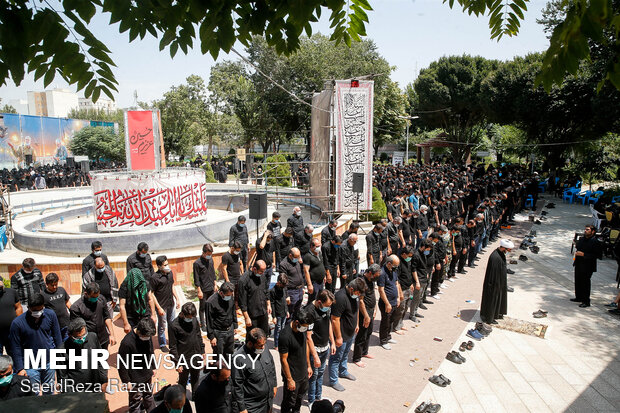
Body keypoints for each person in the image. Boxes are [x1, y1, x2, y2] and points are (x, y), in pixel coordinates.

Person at [9, 293, 62, 395]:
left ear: (44, 306)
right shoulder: (17, 323)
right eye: (34, 310)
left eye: (40, 309)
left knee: (49, 392)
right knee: (34, 394)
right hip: (30, 365)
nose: (37, 312)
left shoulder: (51, 315)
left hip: (48, 361)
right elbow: (15, 347)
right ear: (28, 307)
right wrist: (20, 368)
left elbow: (57, 338)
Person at [328, 277, 367, 392]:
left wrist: (357, 324)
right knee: (336, 358)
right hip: (342, 334)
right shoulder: (340, 297)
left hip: (351, 332)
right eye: (357, 293)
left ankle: (343, 371)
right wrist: (338, 337)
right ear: (351, 288)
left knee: (345, 355)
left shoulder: (353, 295)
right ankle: (333, 380)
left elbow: (356, 309)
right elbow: (335, 319)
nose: (358, 295)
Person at [231, 328, 277, 413]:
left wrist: (274, 384)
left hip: (267, 402)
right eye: (260, 346)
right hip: (252, 406)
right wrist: (242, 408)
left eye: (264, 344)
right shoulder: (239, 359)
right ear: (250, 344)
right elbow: (237, 385)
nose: (263, 347)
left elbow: (272, 366)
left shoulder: (264, 347)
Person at [57, 317, 108, 392]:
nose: (82, 339)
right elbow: (62, 378)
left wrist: (104, 380)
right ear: (70, 335)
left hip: (95, 387)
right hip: (76, 391)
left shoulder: (93, 337)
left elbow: (101, 360)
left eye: (83, 336)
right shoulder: (61, 351)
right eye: (78, 338)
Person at [118, 317, 157, 413]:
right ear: (139, 332)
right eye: (146, 336)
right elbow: (122, 364)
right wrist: (126, 381)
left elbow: (150, 351)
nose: (147, 338)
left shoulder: (147, 334)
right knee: (135, 401)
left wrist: (153, 366)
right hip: (134, 378)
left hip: (147, 373)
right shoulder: (127, 343)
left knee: (148, 395)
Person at [279, 308, 313, 413]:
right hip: (292, 376)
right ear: (297, 322)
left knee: (298, 401)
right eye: (305, 327)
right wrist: (289, 379)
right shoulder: (285, 335)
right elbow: (283, 359)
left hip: (303, 373)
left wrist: (308, 365)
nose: (305, 329)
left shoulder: (302, 329)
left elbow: (305, 345)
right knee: (289, 402)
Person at [306, 290, 336, 407]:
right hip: (315, 350)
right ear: (319, 302)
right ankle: (312, 401)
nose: (328, 308)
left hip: (325, 348)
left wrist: (332, 342)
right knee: (313, 376)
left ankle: (319, 397)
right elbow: (308, 337)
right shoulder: (310, 312)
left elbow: (328, 323)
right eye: (327, 305)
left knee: (321, 374)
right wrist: (314, 356)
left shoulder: (327, 308)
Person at [169, 302, 205, 395]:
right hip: (183, 359)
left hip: (195, 355)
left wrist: (202, 350)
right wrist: (177, 363)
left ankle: (196, 397)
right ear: (182, 314)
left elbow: (198, 335)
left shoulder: (194, 320)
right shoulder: (174, 326)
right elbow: (173, 347)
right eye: (188, 317)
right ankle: (183, 402)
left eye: (192, 317)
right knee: (182, 382)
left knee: (195, 379)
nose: (190, 319)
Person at [70, 282, 116, 350]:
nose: (96, 299)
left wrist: (112, 334)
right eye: (93, 297)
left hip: (103, 339)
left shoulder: (101, 299)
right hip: (88, 342)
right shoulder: (76, 307)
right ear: (86, 294)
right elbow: (77, 329)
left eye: (97, 296)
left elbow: (107, 317)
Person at [479, 239, 514, 324]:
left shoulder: (500, 254)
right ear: (504, 248)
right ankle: (489, 317)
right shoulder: (495, 257)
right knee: (492, 300)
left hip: (499, 282)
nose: (509, 251)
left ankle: (496, 313)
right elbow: (493, 274)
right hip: (494, 283)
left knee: (498, 299)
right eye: (509, 249)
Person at [151, 255, 181, 352]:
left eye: (167, 264)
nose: (167, 266)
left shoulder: (170, 273)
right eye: (165, 265)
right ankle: (162, 343)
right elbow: (151, 294)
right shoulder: (155, 277)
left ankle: (173, 341)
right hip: (162, 305)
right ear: (159, 266)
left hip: (170, 303)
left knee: (172, 323)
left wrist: (177, 298)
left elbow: (172, 286)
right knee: (162, 325)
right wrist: (158, 308)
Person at [352, 264, 380, 366]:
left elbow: (373, 294)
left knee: (368, 332)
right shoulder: (362, 282)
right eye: (375, 275)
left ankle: (364, 352)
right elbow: (361, 301)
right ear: (369, 273)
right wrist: (366, 316)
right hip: (365, 312)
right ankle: (357, 358)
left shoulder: (371, 281)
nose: (376, 277)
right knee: (362, 334)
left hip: (371, 310)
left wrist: (375, 308)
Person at [237, 260, 271, 338]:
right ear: (254, 269)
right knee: (252, 337)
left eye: (263, 271)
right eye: (261, 271)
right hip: (252, 315)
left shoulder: (262, 276)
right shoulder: (243, 281)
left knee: (264, 335)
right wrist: (246, 317)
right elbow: (242, 302)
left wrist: (268, 304)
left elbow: (266, 291)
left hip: (263, 312)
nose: (262, 273)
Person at [572, 225, 603, 307]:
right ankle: (578, 297)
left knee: (585, 283)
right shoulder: (582, 239)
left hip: (588, 265)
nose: (585, 231)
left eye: (588, 230)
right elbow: (578, 247)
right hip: (579, 263)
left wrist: (584, 254)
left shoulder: (595, 242)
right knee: (578, 281)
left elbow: (598, 255)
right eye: (585, 229)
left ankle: (586, 301)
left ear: (593, 231)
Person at [119, 268, 156, 333]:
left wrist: (153, 314)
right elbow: (122, 306)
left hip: (145, 315)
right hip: (131, 317)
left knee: (147, 335)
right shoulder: (124, 287)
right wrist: (126, 323)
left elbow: (150, 299)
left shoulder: (145, 284)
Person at [377, 255, 403, 350]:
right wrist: (387, 303)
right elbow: (381, 290)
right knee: (385, 322)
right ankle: (383, 340)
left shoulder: (393, 271)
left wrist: (398, 297)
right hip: (386, 303)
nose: (396, 268)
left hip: (394, 301)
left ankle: (388, 336)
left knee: (391, 320)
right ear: (389, 263)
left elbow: (396, 283)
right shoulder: (382, 273)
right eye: (395, 266)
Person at [206, 282, 237, 357]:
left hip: (230, 330)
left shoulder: (230, 297)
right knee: (219, 356)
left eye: (231, 295)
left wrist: (235, 325)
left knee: (229, 353)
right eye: (228, 295)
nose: (229, 297)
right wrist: (211, 337)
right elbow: (209, 320)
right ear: (221, 293)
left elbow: (233, 311)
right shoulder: (210, 302)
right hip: (219, 333)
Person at [194, 243, 217, 332]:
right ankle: (203, 324)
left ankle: (210, 322)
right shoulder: (197, 263)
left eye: (210, 254)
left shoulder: (211, 260)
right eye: (208, 254)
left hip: (211, 287)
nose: (209, 256)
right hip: (203, 289)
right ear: (203, 253)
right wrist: (199, 290)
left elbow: (213, 273)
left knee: (210, 306)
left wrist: (215, 284)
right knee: (202, 307)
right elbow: (196, 278)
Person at [41, 272, 71, 341]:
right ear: (47, 284)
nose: (54, 287)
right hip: (54, 326)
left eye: (56, 284)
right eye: (52, 285)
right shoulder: (43, 295)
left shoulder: (61, 290)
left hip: (65, 323)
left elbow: (67, 303)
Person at [279, 247, 305, 318]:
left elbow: (300, 274)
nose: (298, 258)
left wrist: (302, 286)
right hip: (292, 292)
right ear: (290, 255)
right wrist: (287, 295)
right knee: (290, 313)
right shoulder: (283, 264)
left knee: (297, 311)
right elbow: (283, 282)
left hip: (299, 290)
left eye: (299, 256)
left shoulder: (297, 261)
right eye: (296, 257)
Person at [393, 247, 414, 331]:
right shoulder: (398, 263)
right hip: (402, 289)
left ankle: (400, 323)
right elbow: (397, 280)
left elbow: (409, 273)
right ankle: (396, 327)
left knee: (405, 307)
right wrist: (400, 292)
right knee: (400, 309)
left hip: (408, 287)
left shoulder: (407, 261)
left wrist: (411, 283)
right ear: (404, 254)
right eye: (409, 256)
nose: (410, 258)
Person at [0, 279, 22, 356]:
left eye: (1, 287)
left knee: (14, 353)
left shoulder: (12, 292)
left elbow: (18, 307)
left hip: (11, 331)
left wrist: (19, 324)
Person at [269, 273, 289, 350]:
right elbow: (272, 304)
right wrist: (273, 317)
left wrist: (287, 310)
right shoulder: (273, 291)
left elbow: (284, 301)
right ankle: (276, 344)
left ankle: (281, 342)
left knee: (282, 328)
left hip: (284, 311)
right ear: (278, 282)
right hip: (278, 313)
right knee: (278, 329)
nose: (284, 287)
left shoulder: (284, 289)